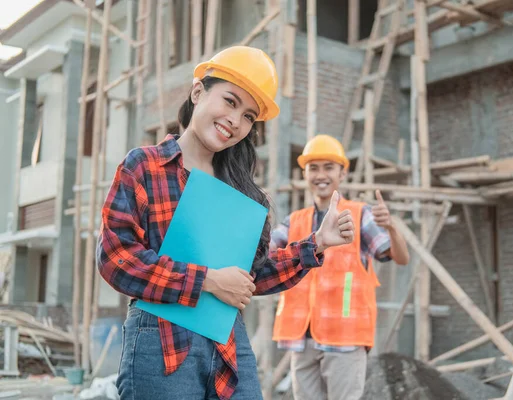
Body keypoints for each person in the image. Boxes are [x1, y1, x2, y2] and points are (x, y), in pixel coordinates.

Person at [96, 46, 356, 400]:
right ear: (198, 91)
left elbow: (251, 277)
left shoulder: (237, 188)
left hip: (227, 343)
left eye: (249, 116)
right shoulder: (145, 166)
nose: (236, 121)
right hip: (163, 342)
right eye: (230, 101)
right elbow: (116, 259)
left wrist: (317, 244)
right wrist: (208, 281)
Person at [271, 134, 411, 400]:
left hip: (346, 337)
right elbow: (263, 252)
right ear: (305, 174)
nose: (320, 175)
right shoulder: (294, 221)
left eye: (329, 167)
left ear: (342, 173)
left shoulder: (360, 215)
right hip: (302, 338)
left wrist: (391, 226)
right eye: (313, 168)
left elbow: (400, 258)